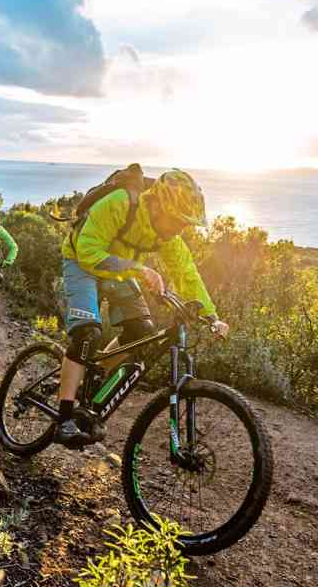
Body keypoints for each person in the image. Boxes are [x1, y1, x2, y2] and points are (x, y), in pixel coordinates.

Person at [56, 168, 229, 445]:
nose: (180, 229)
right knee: (87, 333)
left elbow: (187, 273)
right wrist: (139, 269)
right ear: (159, 204)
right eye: (177, 221)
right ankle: (64, 418)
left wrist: (211, 316)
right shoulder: (120, 203)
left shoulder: (167, 234)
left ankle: (93, 371)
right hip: (81, 262)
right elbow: (88, 252)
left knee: (140, 331)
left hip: (121, 271)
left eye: (185, 224)